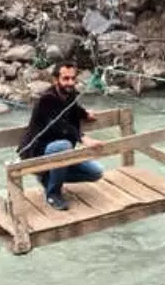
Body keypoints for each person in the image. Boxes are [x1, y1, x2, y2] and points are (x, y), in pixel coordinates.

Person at [19, 63, 103, 211]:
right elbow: (58, 123)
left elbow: (73, 107)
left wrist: (85, 114)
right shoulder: (47, 99)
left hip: (61, 155)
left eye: (73, 78)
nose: (70, 82)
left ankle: (48, 177)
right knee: (64, 145)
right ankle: (53, 193)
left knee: (96, 172)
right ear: (55, 80)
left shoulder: (69, 94)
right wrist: (83, 138)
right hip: (37, 153)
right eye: (65, 78)